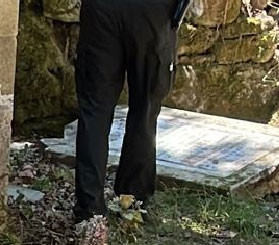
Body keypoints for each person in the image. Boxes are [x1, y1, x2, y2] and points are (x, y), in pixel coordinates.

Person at [74, 0, 191, 223]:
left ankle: (90, 211)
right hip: (152, 12)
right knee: (144, 109)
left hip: (103, 10)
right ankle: (132, 202)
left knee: (95, 110)